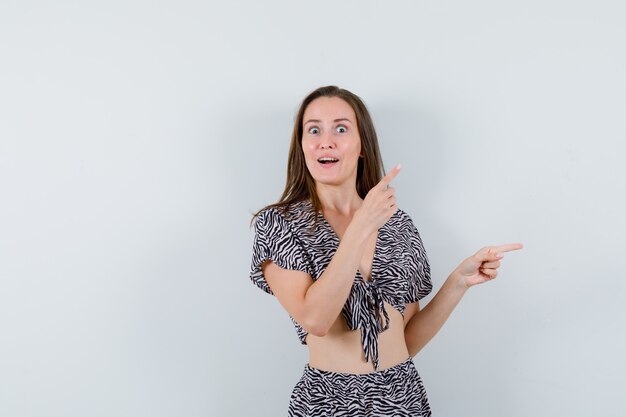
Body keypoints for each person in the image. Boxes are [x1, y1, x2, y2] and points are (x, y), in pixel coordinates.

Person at [249, 85, 522, 416]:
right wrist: (362, 225)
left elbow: (407, 341)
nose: (326, 140)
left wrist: (458, 282)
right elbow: (316, 319)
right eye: (314, 129)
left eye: (341, 128)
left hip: (401, 396)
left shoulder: (398, 225)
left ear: (361, 145)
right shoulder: (279, 224)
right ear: (303, 145)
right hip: (326, 401)